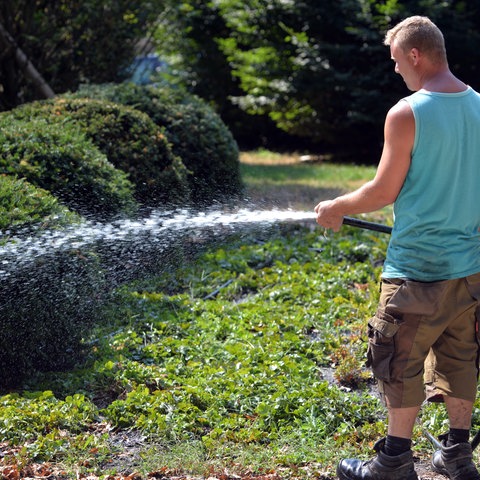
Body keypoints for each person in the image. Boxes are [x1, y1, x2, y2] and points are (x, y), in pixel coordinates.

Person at [314, 15, 480, 480]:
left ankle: (393, 462)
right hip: (469, 271)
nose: (395, 72)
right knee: (460, 358)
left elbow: (383, 191)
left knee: (398, 363)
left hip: (416, 272)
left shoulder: (407, 112)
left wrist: (335, 206)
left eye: (395, 62)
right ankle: (457, 454)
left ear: (415, 54)